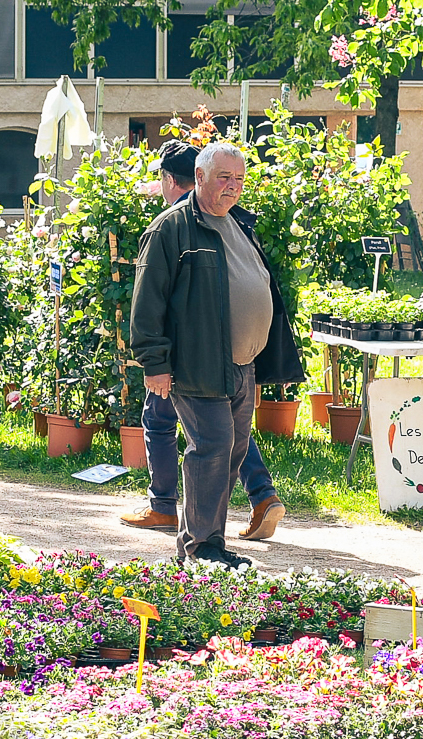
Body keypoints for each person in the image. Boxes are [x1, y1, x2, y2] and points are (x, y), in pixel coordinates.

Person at [128, 140, 305, 567]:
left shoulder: (236, 223)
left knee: (232, 452)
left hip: (241, 365)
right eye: (224, 177)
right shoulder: (172, 228)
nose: (233, 187)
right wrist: (155, 363)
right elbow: (148, 300)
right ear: (201, 176)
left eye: (240, 179)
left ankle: (205, 542)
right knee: (212, 447)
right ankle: (201, 547)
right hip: (198, 364)